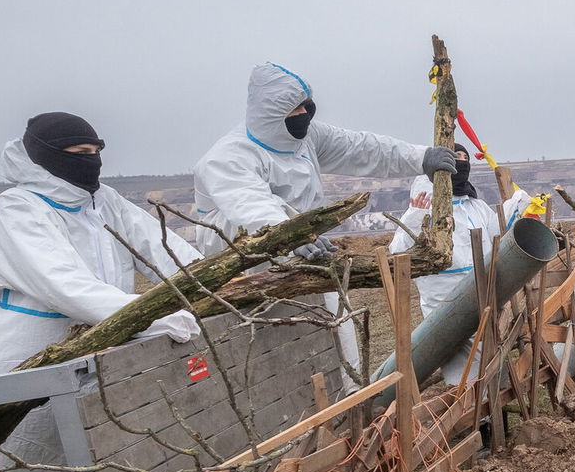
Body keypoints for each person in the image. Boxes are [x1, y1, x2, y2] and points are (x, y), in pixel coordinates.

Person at [0, 112, 203, 472]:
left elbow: (159, 246)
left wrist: (208, 284)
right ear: (45, 156)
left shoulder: (103, 201)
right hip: (23, 352)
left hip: (91, 341)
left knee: (72, 457)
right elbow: (64, 284)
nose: (91, 163)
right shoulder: (21, 208)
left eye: (96, 152)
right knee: (20, 469)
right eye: (78, 155)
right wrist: (148, 317)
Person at [192, 62, 457, 375]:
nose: (307, 112)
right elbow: (250, 206)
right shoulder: (229, 157)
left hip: (305, 251)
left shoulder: (306, 138)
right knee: (272, 362)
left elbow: (360, 148)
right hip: (242, 262)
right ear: (272, 114)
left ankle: (348, 402)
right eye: (297, 107)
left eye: (307, 104)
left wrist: (420, 157)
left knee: (337, 336)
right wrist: (289, 237)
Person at [389, 144, 529, 385]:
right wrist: (414, 216)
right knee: (459, 362)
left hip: (481, 295)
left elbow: (497, 231)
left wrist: (517, 205)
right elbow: (399, 251)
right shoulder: (424, 208)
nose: (461, 162)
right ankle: (471, 413)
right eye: (455, 158)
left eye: (465, 158)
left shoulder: (475, 207)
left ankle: (493, 406)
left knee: (489, 353)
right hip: (443, 302)